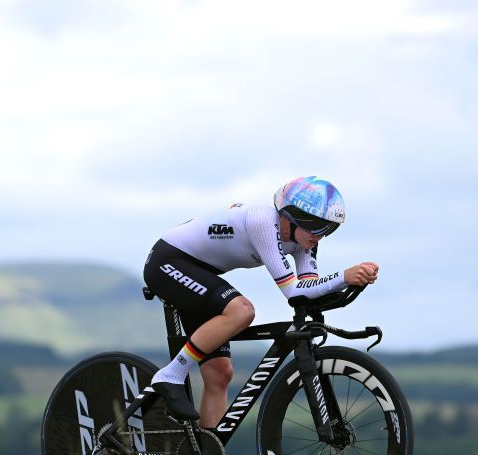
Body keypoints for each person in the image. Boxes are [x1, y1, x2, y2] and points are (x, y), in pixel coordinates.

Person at [143, 176, 379, 424]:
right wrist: (343, 276)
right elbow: (294, 291)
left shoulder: (303, 240)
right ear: (292, 216)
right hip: (168, 263)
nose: (320, 235)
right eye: (316, 225)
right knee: (242, 311)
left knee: (220, 374)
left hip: (201, 272)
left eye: (328, 228)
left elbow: (309, 289)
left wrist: (351, 283)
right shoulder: (263, 221)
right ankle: (170, 375)